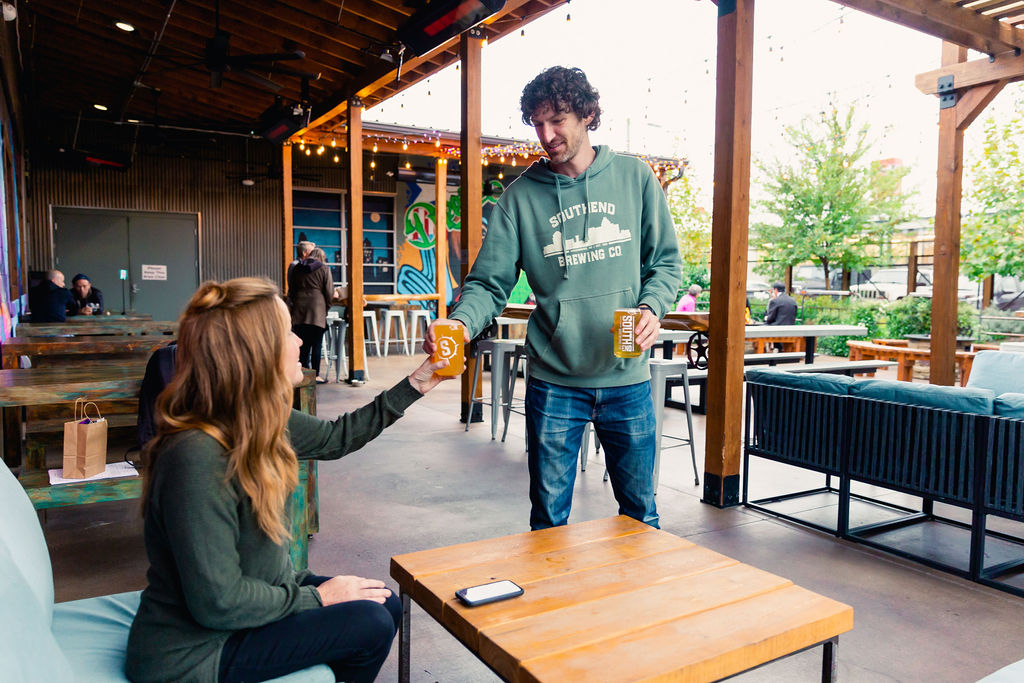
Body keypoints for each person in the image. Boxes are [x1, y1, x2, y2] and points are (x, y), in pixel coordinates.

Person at [125, 277, 453, 683]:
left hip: (253, 607)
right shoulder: (196, 455)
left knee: (384, 603)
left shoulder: (256, 418)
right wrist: (318, 598)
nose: (300, 340)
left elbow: (337, 438)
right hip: (196, 651)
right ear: (256, 354)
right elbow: (218, 603)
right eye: (287, 332)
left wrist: (416, 383)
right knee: (370, 623)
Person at [425, 66, 682, 531]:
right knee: (548, 522)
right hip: (554, 381)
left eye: (557, 120)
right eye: (537, 123)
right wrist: (461, 324)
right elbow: (488, 282)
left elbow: (664, 263)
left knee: (641, 517)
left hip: (627, 377)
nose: (546, 135)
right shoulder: (521, 198)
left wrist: (651, 308)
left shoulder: (634, 178)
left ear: (587, 114)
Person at [287, 247, 333, 384]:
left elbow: (292, 290)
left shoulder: (297, 268)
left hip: (299, 310)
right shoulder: (324, 268)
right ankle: (316, 375)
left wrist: (294, 305)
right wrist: (326, 307)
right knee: (317, 344)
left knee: (303, 344)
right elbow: (329, 291)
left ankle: (303, 373)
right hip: (316, 309)